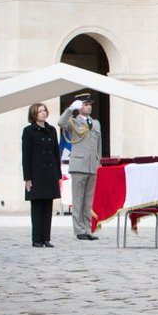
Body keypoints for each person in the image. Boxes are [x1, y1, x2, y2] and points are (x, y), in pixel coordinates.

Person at [59, 93, 101, 240]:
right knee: (78, 199)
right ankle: (79, 230)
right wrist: (70, 108)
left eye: (90, 104)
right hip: (78, 165)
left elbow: (98, 146)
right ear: (79, 106)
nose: (88, 107)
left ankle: (88, 229)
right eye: (85, 104)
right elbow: (60, 122)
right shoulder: (73, 122)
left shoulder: (95, 123)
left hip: (92, 166)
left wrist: (98, 163)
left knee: (88, 200)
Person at [22, 102, 61, 248]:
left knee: (48, 207)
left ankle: (46, 238)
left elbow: (56, 154)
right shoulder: (28, 131)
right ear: (34, 114)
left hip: (49, 174)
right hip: (36, 174)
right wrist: (27, 178)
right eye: (40, 111)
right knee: (37, 207)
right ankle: (36, 239)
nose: (43, 113)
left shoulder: (52, 130)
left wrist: (58, 174)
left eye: (44, 110)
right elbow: (26, 156)